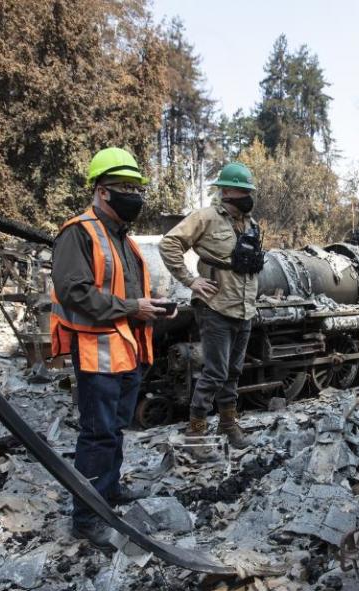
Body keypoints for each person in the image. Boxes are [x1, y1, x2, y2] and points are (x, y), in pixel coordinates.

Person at [50, 147, 174, 550]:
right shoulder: (79, 233)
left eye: (137, 188)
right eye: (125, 188)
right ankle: (87, 517)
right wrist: (132, 307)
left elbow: (126, 292)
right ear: (102, 191)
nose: (134, 196)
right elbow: (74, 293)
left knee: (114, 431)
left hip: (126, 353)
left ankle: (109, 490)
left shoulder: (122, 238)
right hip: (97, 354)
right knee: (98, 435)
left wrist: (150, 310)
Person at [158, 161, 264, 449]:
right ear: (226, 191)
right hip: (215, 308)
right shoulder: (204, 218)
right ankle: (196, 431)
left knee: (233, 371)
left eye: (248, 191)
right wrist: (190, 281)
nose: (247, 196)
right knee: (215, 372)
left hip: (244, 310)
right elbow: (169, 244)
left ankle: (229, 425)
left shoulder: (250, 224)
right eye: (241, 190)